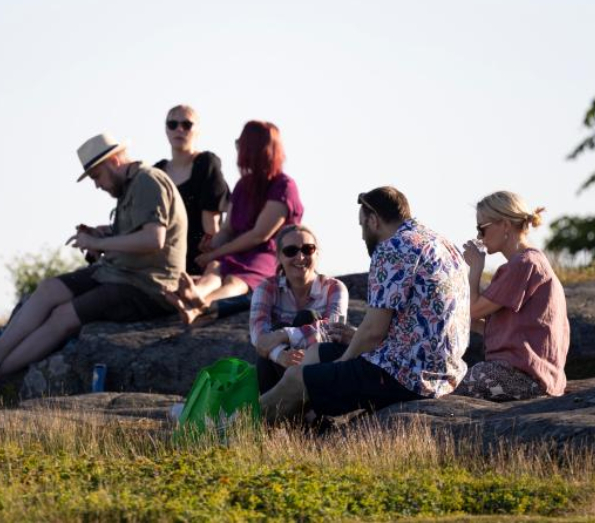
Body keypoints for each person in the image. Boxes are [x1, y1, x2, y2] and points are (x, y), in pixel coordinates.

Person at [0, 133, 187, 396]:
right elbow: (138, 234)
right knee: (49, 289)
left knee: (63, 316)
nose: (97, 185)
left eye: (96, 176)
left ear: (113, 161)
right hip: (119, 273)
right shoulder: (131, 186)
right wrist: (104, 234)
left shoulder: (148, 181)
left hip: (146, 286)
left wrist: (99, 244)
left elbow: (154, 239)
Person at [261, 187, 469, 421]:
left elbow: (372, 332)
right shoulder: (442, 244)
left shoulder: (393, 248)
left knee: (297, 379)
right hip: (443, 373)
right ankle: (305, 430)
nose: (362, 235)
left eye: (362, 225)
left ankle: (230, 431)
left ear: (373, 220)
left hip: (406, 377)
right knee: (318, 352)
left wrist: (341, 364)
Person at [166, 120, 304, 325]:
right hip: (237, 252)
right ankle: (195, 295)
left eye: (241, 143)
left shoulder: (283, 186)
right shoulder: (242, 186)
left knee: (234, 280)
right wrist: (212, 245)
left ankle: (201, 304)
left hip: (268, 255)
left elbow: (260, 235)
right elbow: (228, 228)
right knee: (214, 268)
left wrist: (217, 252)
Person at [456, 191, 569, 401]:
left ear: (505, 225)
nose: (479, 237)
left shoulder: (522, 265)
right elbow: (505, 328)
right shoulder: (532, 262)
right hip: (537, 377)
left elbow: (473, 310)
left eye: (482, 228)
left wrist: (475, 268)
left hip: (523, 377)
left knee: (446, 389)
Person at [250, 224, 349, 393]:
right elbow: (260, 338)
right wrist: (280, 355)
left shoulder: (334, 287)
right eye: (290, 251)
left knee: (306, 317)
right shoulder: (266, 288)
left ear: (317, 253)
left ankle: (308, 408)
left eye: (307, 249)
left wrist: (285, 335)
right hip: (278, 369)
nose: (300, 257)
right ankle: (276, 411)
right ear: (279, 257)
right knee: (268, 347)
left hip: (321, 368)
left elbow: (334, 331)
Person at [153, 104, 230, 276]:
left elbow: (212, 225)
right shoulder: (157, 171)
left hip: (200, 258)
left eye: (186, 125)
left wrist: (210, 260)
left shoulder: (206, 163)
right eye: (172, 124)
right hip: (163, 259)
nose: (179, 129)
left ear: (198, 131)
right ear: (166, 130)